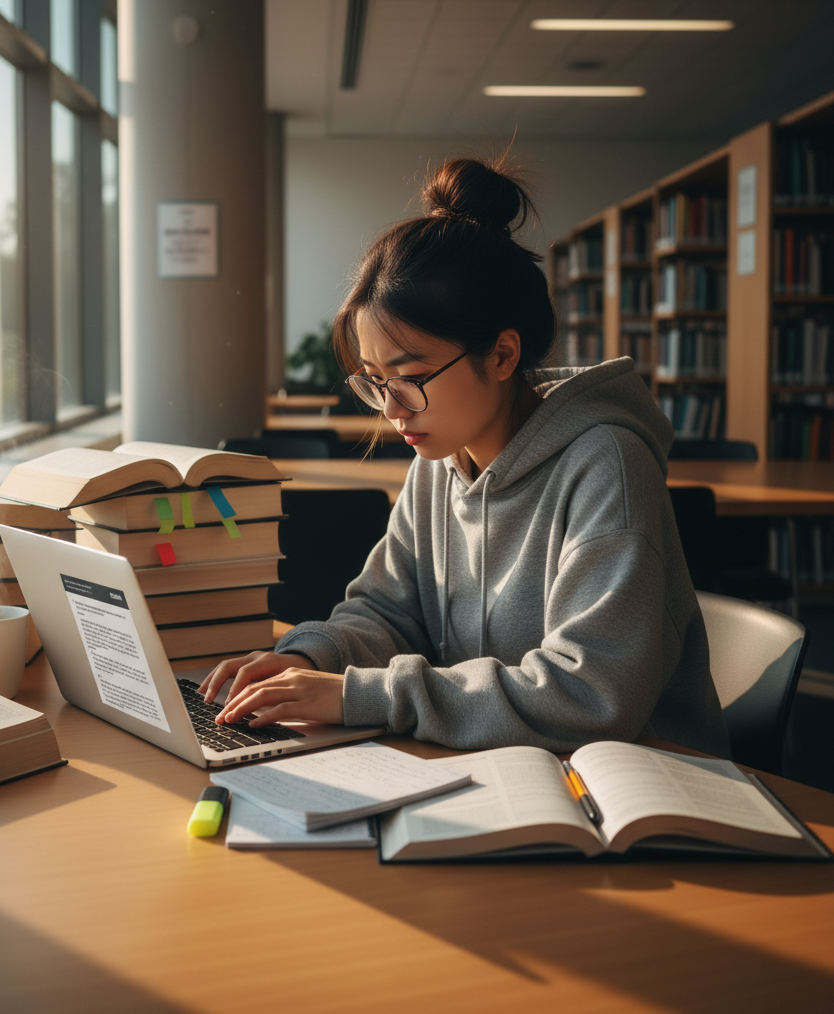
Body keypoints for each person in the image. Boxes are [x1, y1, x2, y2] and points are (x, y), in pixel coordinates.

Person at [200, 156, 729, 757]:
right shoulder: (437, 463)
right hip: (505, 764)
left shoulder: (607, 465)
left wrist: (359, 696)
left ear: (503, 356)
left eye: (412, 376)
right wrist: (308, 657)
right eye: (374, 381)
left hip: (640, 786)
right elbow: (388, 612)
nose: (392, 408)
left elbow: (590, 695)